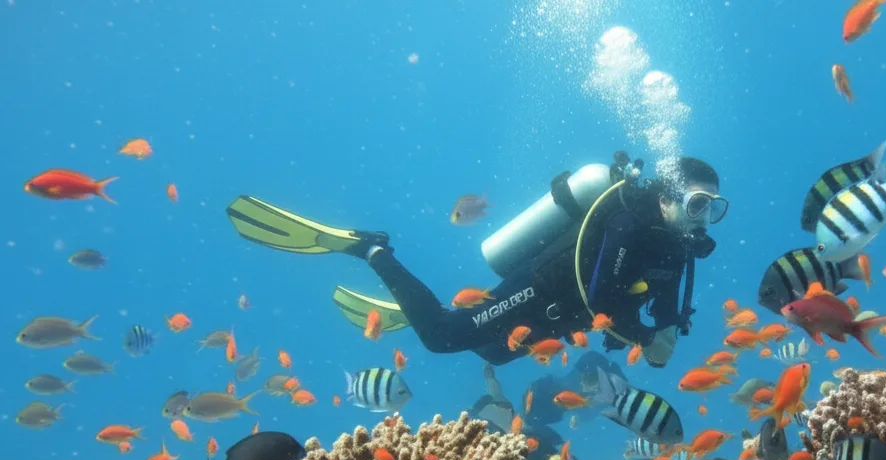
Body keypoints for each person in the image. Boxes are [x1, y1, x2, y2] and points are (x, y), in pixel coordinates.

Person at [226, 153, 727, 368]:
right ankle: (372, 249)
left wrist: (656, 332)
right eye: (697, 203)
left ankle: (428, 309)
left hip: (563, 316)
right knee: (446, 338)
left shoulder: (677, 247)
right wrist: (639, 336)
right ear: (667, 196)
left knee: (495, 352)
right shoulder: (629, 223)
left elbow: (655, 304)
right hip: (542, 288)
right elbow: (602, 295)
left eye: (713, 208)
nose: (704, 217)